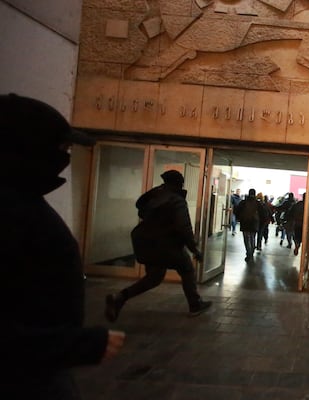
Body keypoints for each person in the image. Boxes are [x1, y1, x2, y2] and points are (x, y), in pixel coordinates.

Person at [0, 93, 126, 399]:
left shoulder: (21, 199)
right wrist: (74, 345)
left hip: (37, 368)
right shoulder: (11, 209)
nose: (66, 156)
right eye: (61, 147)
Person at [105, 170, 212, 321]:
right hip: (165, 245)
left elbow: (142, 212)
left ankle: (120, 297)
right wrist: (194, 249)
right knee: (187, 268)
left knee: (154, 278)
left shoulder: (155, 197)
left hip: (144, 243)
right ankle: (195, 305)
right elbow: (184, 227)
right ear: (179, 184)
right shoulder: (176, 200)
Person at [234, 188, 261, 261]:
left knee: (246, 239)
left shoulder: (243, 202)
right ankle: (251, 252)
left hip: (245, 223)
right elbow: (263, 213)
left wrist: (239, 219)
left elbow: (236, 211)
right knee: (252, 238)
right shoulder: (258, 203)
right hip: (254, 223)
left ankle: (248, 253)